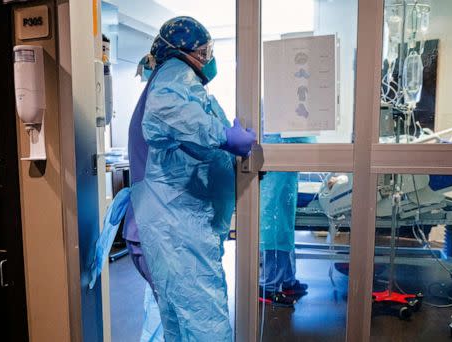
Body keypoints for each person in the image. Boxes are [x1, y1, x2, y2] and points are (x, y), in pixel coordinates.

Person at [124, 16, 255, 341]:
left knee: (179, 327)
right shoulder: (174, 74)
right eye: (205, 51)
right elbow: (165, 115)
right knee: (204, 326)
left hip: (169, 228)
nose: (209, 58)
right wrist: (225, 137)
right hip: (173, 231)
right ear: (186, 51)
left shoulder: (169, 78)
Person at [259, 134, 312, 307]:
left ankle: (287, 280)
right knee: (275, 230)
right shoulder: (279, 123)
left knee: (284, 230)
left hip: (284, 174)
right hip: (276, 171)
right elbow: (303, 138)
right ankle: (268, 287)